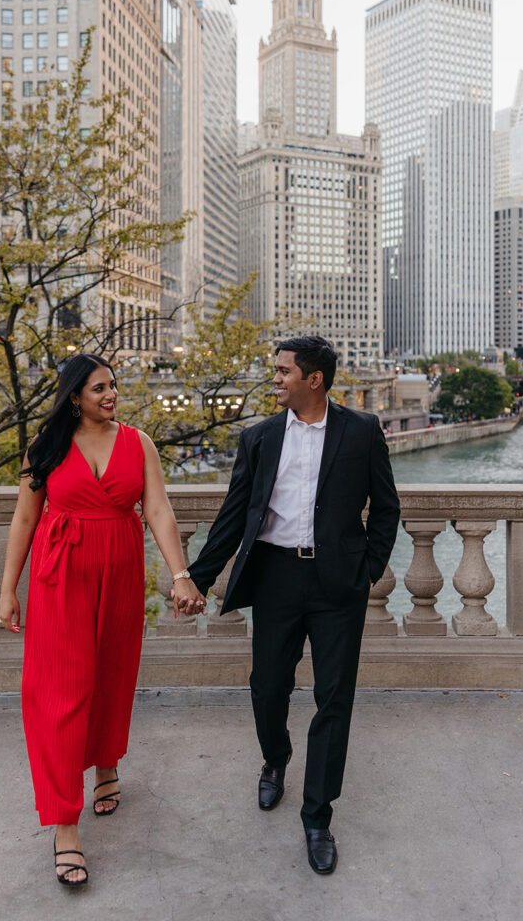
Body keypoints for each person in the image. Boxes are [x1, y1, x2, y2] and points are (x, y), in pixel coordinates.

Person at [188, 336, 400, 875]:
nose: (274, 379)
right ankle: (275, 760)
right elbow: (235, 516)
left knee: (334, 698)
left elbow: (386, 507)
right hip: (277, 576)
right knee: (268, 685)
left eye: (283, 371)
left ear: (315, 379)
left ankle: (317, 815)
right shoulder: (258, 437)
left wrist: (367, 569)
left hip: (338, 585)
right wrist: (196, 577)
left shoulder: (361, 431)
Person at [0, 354, 206, 887]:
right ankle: (65, 824)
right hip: (58, 577)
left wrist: (180, 573)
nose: (111, 395)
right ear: (73, 397)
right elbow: (25, 517)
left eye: (113, 385)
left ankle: (107, 762)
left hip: (119, 572)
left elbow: (158, 509)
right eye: (98, 388)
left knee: (111, 676)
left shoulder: (139, 443)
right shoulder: (44, 448)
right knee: (59, 690)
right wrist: (7, 590)